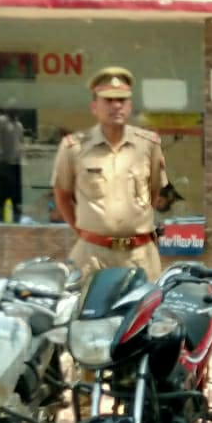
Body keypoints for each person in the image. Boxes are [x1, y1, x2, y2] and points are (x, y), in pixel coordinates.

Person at [51, 66, 170, 278]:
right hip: (92, 256)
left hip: (139, 255)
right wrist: (89, 235)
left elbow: (153, 193)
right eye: (108, 100)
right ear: (94, 106)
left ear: (129, 106)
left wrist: (133, 224)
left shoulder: (148, 144)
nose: (116, 106)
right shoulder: (73, 147)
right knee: (85, 301)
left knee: (144, 300)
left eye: (122, 100)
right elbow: (62, 197)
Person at [0, 108, 25, 220]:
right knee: (4, 187)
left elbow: (20, 142)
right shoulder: (2, 121)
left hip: (16, 161)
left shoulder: (19, 125)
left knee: (14, 188)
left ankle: (14, 211)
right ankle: (1, 211)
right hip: (5, 161)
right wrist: (1, 158)